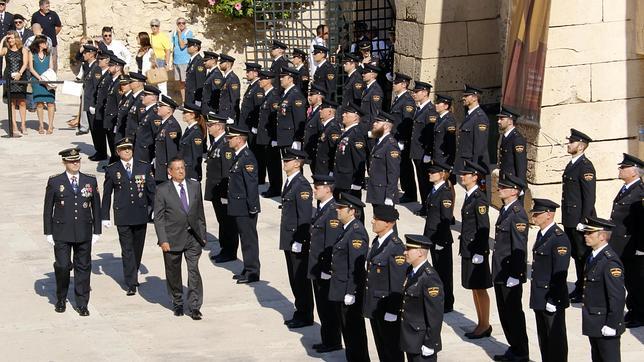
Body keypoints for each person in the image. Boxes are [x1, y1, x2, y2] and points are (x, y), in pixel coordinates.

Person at [43, 147, 101, 316]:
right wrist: (48, 232)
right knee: (62, 266)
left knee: (83, 267)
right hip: (61, 231)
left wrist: (96, 231)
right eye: (71, 161)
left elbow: (96, 207)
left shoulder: (89, 181)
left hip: (83, 231)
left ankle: (82, 303)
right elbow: (48, 209)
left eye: (77, 160)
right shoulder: (55, 182)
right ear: (64, 163)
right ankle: (61, 298)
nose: (75, 163)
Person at [154, 157, 207, 320]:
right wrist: (163, 240)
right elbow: (159, 218)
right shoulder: (162, 190)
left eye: (182, 167)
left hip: (193, 237)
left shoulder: (194, 186)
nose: (181, 171)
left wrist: (203, 235)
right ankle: (177, 301)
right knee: (173, 273)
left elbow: (200, 212)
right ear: (170, 172)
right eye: (177, 169)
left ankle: (195, 306)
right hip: (172, 238)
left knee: (193, 271)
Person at [101, 137, 155, 296]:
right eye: (123, 149)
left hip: (140, 213)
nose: (127, 151)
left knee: (138, 247)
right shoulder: (112, 169)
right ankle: (131, 281)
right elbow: (107, 194)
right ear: (117, 152)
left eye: (129, 149)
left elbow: (151, 190)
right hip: (123, 214)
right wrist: (105, 216)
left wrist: (157, 210)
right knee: (127, 249)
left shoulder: (143, 167)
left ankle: (134, 269)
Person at [492, 174, 529, 362]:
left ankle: (521, 352)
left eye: (504, 187)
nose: (499, 190)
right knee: (504, 313)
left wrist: (516, 274)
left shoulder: (518, 214)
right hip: (501, 271)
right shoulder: (505, 210)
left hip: (509, 274)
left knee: (513, 314)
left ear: (515, 191)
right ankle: (513, 348)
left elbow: (519, 247)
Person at [329, 192, 370, 362]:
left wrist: (351, 292)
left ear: (352, 211)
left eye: (341, 208)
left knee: (354, 331)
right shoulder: (346, 230)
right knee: (347, 331)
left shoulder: (356, 233)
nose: (337, 210)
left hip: (348, 291)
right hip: (341, 287)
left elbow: (356, 266)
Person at [529, 198, 571, 362]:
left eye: (537, 214)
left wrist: (554, 299)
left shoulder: (559, 238)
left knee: (556, 340)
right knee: (544, 338)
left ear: (549, 215)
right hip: (540, 295)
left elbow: (560, 273)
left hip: (551, 298)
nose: (534, 216)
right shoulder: (543, 234)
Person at [364, 205, 407, 362]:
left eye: (377, 219)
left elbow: (398, 283)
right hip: (376, 305)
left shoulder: (395, 247)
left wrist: (393, 310)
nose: (372, 221)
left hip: (386, 307)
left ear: (389, 223)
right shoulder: (378, 242)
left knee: (392, 349)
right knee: (381, 346)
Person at [579, 217, 626, 362]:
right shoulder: (593, 256)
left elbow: (617, 296)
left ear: (602, 236)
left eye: (590, 233)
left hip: (605, 323)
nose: (585, 236)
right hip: (595, 321)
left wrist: (612, 324)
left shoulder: (610, 262)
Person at [279, 148, 314, 329]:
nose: (284, 163)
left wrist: (300, 241)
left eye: (288, 160)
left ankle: (305, 314)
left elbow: (305, 217)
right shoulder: (290, 182)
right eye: (284, 160)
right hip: (288, 238)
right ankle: (300, 311)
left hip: (296, 240)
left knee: (300, 279)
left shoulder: (301, 185)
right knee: (294, 278)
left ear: (297, 163)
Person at [308, 175, 343, 353]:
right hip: (317, 266)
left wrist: (326, 269)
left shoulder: (332, 212)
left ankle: (333, 341)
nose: (315, 190)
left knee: (328, 307)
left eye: (318, 187)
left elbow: (331, 244)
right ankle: (327, 338)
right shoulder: (323, 208)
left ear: (328, 189)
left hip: (324, 269)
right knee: (322, 306)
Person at [609, 153, 644, 329]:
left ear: (634, 172)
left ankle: (639, 314)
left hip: (631, 245)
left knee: (635, 281)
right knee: (628, 280)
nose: (620, 170)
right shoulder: (627, 189)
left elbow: (642, 223)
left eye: (623, 167)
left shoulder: (640, 192)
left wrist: (641, 247)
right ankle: (633, 310)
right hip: (620, 244)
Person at [459, 160, 492, 339]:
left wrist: (480, 252)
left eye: (465, 174)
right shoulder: (470, 196)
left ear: (475, 177)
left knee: (480, 288)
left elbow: (483, 227)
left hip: (476, 251)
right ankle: (481, 322)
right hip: (468, 249)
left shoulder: (479, 199)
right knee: (474, 288)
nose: (462, 176)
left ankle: (484, 323)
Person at [562, 128, 596, 303]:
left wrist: (584, 221)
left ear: (581, 146)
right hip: (570, 218)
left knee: (583, 255)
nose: (568, 144)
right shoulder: (572, 164)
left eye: (572, 142)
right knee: (576, 254)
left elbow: (589, 197)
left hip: (579, 220)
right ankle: (579, 285)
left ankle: (584, 288)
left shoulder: (585, 166)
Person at [399, 234, 444, 362]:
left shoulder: (430, 278)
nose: (404, 252)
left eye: (408, 249)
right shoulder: (411, 271)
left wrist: (431, 342)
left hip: (421, 340)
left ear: (419, 252)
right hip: (411, 338)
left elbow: (435, 315)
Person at [226, 125, 261, 284]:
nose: (228, 140)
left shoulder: (247, 158)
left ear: (239, 140)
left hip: (245, 207)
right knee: (244, 239)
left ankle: (253, 271)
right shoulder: (239, 156)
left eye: (230, 138)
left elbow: (251, 185)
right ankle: (247, 268)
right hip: (238, 206)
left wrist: (252, 208)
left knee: (249, 240)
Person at [203, 113, 238, 263]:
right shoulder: (217, 142)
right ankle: (225, 248)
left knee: (227, 222)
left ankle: (230, 251)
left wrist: (225, 194)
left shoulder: (225, 144)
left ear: (219, 126)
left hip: (222, 191)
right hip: (216, 190)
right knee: (222, 221)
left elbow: (227, 172)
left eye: (211, 125)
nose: (208, 127)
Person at [423, 161, 455, 313]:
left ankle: (447, 303)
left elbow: (445, 219)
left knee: (443, 272)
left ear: (442, 174)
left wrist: (441, 241)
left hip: (440, 238)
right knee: (436, 270)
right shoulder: (434, 190)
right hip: (431, 235)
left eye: (433, 172)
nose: (429, 174)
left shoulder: (445, 193)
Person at [409, 81, 438, 215]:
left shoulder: (431, 111)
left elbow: (431, 134)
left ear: (425, 92)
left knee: (426, 181)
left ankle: (428, 207)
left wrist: (428, 152)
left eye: (417, 92)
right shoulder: (419, 108)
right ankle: (425, 205)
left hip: (423, 153)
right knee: (421, 180)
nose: (414, 94)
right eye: (414, 92)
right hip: (416, 152)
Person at [389, 73, 416, 203]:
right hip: (395, 136)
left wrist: (402, 140)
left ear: (404, 84)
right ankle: (407, 191)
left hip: (401, 139)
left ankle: (410, 193)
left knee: (405, 166)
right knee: (400, 166)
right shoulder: (398, 99)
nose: (393, 84)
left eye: (396, 83)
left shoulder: (407, 100)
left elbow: (407, 122)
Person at [365, 111, 400, 206]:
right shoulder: (379, 141)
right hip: (376, 190)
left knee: (385, 220)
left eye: (378, 122)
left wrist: (389, 196)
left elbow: (393, 172)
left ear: (386, 126)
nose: (374, 124)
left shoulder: (391, 145)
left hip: (383, 193)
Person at [454, 84, 490, 175]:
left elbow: (480, 146)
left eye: (466, 96)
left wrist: (475, 168)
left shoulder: (480, 117)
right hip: (466, 162)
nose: (463, 98)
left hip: (472, 165)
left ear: (474, 98)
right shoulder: (470, 115)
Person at [334, 103, 367, 200]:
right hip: (341, 179)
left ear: (355, 117)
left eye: (347, 113)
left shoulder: (356, 134)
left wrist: (357, 183)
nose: (343, 115)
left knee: (353, 210)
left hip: (349, 182)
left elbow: (359, 160)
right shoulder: (348, 132)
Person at [1, 31, 28, 136]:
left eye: (11, 38)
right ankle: (14, 126)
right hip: (9, 78)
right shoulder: (6, 49)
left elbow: (25, 63)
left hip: (21, 78)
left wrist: (19, 73)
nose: (10, 40)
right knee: (11, 103)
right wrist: (3, 39)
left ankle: (23, 125)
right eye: (9, 39)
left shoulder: (23, 49)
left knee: (22, 102)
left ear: (16, 38)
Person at [255, 69, 280, 188]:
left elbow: (275, 119)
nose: (260, 81)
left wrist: (275, 138)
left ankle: (275, 187)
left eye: (262, 79)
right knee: (268, 162)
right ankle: (272, 186)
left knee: (273, 163)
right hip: (265, 136)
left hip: (270, 137)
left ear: (269, 81)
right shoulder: (267, 96)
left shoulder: (274, 96)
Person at [275, 66, 307, 151]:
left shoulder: (296, 95)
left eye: (283, 77)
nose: (280, 79)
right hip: (283, 137)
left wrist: (298, 139)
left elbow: (299, 118)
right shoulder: (285, 94)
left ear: (290, 79)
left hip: (290, 138)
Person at [28, 34, 55, 134]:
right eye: (44, 42)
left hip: (48, 80)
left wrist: (48, 78)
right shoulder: (32, 53)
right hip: (37, 80)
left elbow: (51, 67)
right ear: (39, 44)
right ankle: (41, 125)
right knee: (39, 103)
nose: (46, 44)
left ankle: (50, 125)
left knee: (50, 103)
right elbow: (31, 67)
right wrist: (39, 78)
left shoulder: (48, 53)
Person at [153, 95, 182, 183]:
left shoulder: (172, 126)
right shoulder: (164, 124)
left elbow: (172, 151)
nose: (158, 108)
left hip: (165, 171)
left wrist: (171, 171)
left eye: (161, 106)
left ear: (169, 110)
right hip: (160, 168)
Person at [90, 50, 113, 162]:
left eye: (101, 59)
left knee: (109, 134)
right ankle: (101, 152)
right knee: (97, 131)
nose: (98, 60)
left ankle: (113, 156)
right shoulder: (99, 71)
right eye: (98, 58)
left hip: (106, 108)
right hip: (99, 107)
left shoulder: (109, 75)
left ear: (107, 60)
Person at [102, 55, 126, 163]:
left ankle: (116, 162)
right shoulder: (113, 81)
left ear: (118, 67)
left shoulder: (120, 83)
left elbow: (120, 104)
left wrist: (117, 121)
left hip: (114, 118)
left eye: (111, 65)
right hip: (109, 118)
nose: (109, 68)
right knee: (111, 143)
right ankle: (113, 160)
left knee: (115, 143)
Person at [178, 103, 206, 182]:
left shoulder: (196, 132)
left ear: (192, 115)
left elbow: (196, 155)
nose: (183, 114)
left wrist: (194, 175)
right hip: (185, 170)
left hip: (190, 172)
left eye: (185, 112)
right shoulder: (189, 129)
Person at [134, 85, 161, 163]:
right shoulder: (148, 111)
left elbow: (156, 136)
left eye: (145, 95)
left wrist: (154, 157)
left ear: (153, 97)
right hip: (141, 151)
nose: (142, 96)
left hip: (146, 154)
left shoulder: (155, 114)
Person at [314, 99, 342, 176]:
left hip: (326, 169)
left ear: (329, 112)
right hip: (322, 167)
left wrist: (332, 171)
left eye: (322, 109)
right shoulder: (327, 126)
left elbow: (334, 151)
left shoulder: (333, 128)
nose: (320, 111)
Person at [31, 0, 60, 71]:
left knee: (53, 61)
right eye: (46, 6)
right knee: (41, 62)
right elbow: (33, 28)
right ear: (41, 7)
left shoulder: (53, 14)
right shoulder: (35, 16)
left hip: (52, 43)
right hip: (39, 44)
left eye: (48, 6)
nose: (48, 8)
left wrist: (53, 35)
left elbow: (59, 27)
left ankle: (53, 78)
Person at [79, 43, 100, 135]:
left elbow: (96, 85)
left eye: (85, 53)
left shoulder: (96, 67)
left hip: (91, 96)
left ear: (91, 54)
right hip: (87, 93)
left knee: (95, 129)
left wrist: (93, 103)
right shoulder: (87, 65)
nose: (83, 55)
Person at [302, 84, 324, 174]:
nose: (309, 97)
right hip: (311, 152)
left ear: (319, 97)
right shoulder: (313, 111)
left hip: (317, 153)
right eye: (309, 95)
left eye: (312, 95)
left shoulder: (321, 112)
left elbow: (322, 133)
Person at [238, 62, 263, 141]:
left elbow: (258, 107)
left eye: (248, 72)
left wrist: (255, 126)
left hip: (251, 125)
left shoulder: (258, 87)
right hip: (246, 124)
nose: (246, 74)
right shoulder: (252, 85)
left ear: (255, 73)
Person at [171, 17, 193, 102]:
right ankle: (184, 101)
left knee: (186, 82)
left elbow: (182, 45)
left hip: (185, 61)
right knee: (181, 83)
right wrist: (172, 61)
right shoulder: (174, 34)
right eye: (179, 23)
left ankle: (189, 101)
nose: (181, 24)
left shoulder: (188, 33)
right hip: (177, 61)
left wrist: (180, 34)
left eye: (183, 23)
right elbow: (173, 47)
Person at [432, 95, 457, 168]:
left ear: (446, 106)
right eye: (435, 103)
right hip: (438, 157)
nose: (435, 105)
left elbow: (451, 142)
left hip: (444, 159)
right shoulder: (439, 119)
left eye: (438, 103)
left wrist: (450, 160)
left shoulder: (449, 120)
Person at [149, 18, 170, 94]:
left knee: (162, 83)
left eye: (156, 26)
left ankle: (163, 99)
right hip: (152, 61)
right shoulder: (150, 36)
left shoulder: (163, 36)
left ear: (159, 27)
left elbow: (168, 50)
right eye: (152, 25)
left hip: (160, 61)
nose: (154, 27)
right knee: (152, 82)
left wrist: (167, 63)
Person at [217, 54, 241, 123]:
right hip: (223, 112)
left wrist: (232, 116)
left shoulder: (233, 79)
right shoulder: (225, 78)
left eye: (221, 62)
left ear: (228, 64)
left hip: (228, 114)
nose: (219, 64)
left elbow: (235, 98)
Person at [360, 63, 383, 131]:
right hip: (364, 124)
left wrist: (372, 130)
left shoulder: (376, 91)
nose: (363, 75)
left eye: (365, 73)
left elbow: (374, 113)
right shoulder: (367, 88)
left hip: (368, 126)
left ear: (372, 75)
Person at [200, 51, 222, 116]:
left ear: (213, 61)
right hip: (205, 108)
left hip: (209, 109)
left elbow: (216, 94)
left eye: (206, 60)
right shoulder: (211, 73)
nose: (204, 63)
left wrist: (212, 110)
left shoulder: (216, 75)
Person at [184, 38, 206, 105]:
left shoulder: (199, 62)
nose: (187, 48)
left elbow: (200, 82)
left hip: (194, 96)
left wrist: (198, 99)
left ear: (196, 48)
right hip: (189, 94)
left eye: (189, 46)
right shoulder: (193, 60)